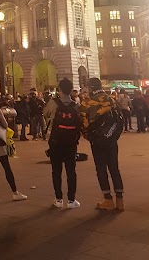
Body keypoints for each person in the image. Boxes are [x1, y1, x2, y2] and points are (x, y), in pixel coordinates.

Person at [80, 77, 125, 212]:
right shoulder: (111, 99)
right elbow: (119, 117)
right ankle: (120, 200)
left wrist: (90, 137)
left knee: (101, 169)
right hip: (111, 139)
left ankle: (108, 199)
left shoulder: (87, 103)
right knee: (114, 168)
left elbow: (84, 124)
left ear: (90, 87)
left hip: (97, 141)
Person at [43, 78, 81, 209]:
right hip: (71, 142)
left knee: (56, 170)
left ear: (59, 89)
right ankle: (71, 200)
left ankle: (58, 199)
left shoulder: (53, 103)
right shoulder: (75, 105)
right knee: (71, 171)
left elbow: (45, 114)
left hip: (55, 140)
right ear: (71, 90)